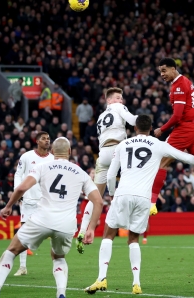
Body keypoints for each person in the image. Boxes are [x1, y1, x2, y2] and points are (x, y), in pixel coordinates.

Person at [84, 115, 194, 295]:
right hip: (144, 198)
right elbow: (186, 158)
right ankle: (136, 283)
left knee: (108, 236)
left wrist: (112, 194)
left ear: (134, 128)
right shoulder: (158, 145)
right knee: (134, 239)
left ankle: (101, 279)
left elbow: (111, 175)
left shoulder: (123, 145)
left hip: (123, 193)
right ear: (151, 128)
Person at [0, 137, 103, 298]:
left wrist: (9, 205)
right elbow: (99, 202)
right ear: (69, 152)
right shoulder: (80, 172)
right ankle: (61, 294)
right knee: (58, 257)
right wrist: (91, 229)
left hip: (42, 219)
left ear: (52, 152)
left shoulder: (42, 166)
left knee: (11, 251)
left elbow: (22, 187)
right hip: (66, 224)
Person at [76, 87, 137, 254]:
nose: (121, 101)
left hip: (103, 154)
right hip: (118, 150)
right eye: (118, 98)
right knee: (130, 182)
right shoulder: (118, 108)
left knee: (95, 196)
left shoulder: (101, 117)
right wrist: (144, 121)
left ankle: (82, 231)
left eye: (122, 98)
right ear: (109, 100)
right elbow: (132, 121)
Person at [150, 57, 194, 216]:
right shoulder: (187, 82)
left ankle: (152, 202)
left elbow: (177, 116)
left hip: (184, 129)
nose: (162, 74)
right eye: (160, 71)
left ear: (173, 68)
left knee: (162, 162)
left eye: (164, 70)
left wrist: (162, 129)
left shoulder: (179, 86)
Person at [13, 131, 54, 276]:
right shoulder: (26, 157)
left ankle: (57, 264)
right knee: (24, 232)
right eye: (43, 139)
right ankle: (22, 267)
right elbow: (18, 174)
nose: (47, 141)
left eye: (48, 139)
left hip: (47, 201)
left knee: (55, 230)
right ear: (37, 141)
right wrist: (18, 191)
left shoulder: (53, 159)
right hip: (29, 200)